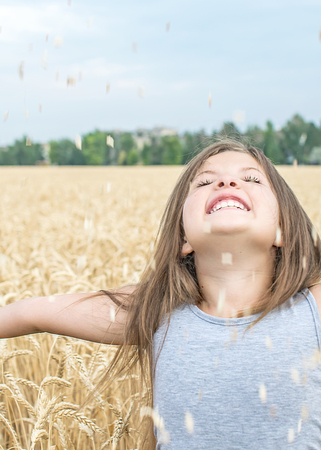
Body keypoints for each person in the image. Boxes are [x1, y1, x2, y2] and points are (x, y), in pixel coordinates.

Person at [1, 138, 321, 449]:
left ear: (283, 230)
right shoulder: (158, 310)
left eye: (251, 178)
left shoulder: (313, 308)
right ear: (184, 240)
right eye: (204, 182)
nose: (226, 182)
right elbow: (32, 312)